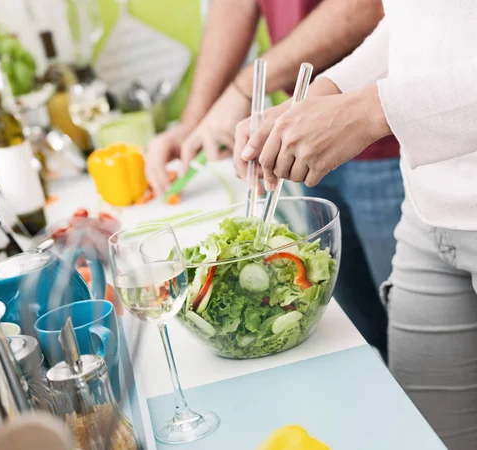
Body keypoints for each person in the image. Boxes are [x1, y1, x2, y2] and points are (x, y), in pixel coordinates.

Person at [235, 1, 477, 447]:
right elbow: (414, 22)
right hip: (426, 216)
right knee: (425, 435)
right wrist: (324, 93)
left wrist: (368, 112)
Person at [147, 0, 404, 361]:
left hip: (390, 142)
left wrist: (242, 90)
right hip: (302, 137)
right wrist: (196, 118)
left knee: (402, 327)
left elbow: (367, 6)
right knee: (356, 328)